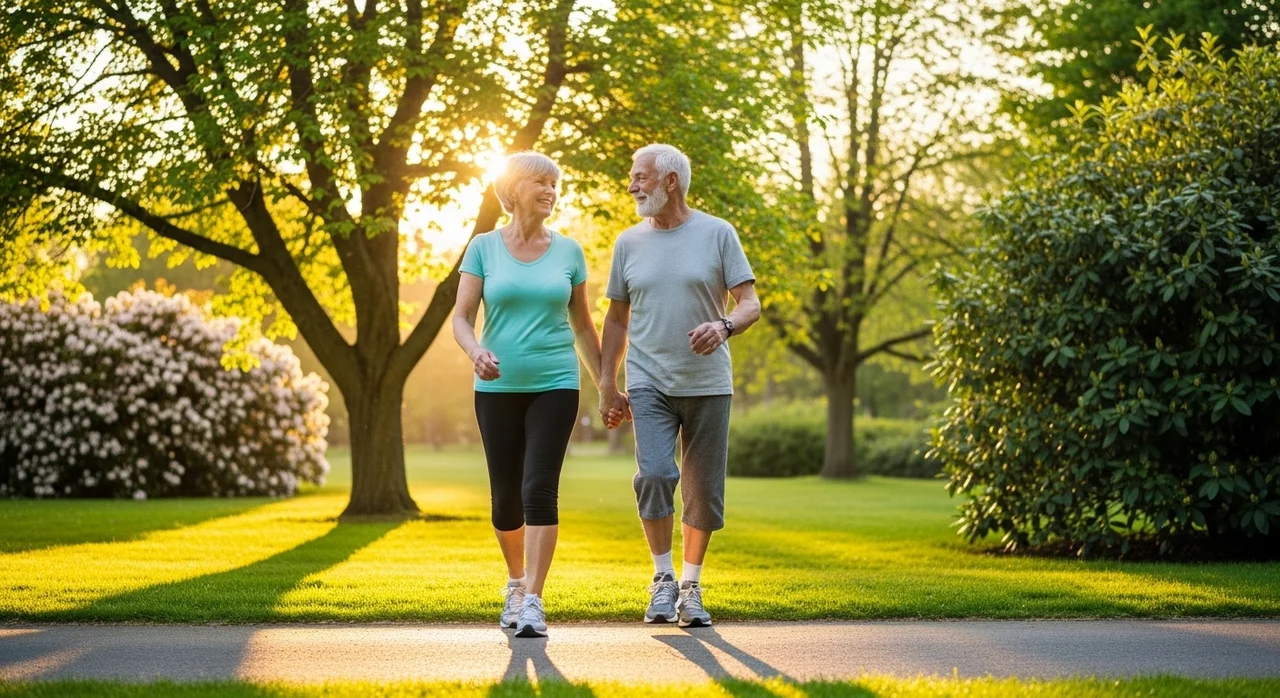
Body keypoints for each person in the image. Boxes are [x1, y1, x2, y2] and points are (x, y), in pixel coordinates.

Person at [599, 143, 761, 627]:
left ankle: (691, 585)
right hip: (648, 381)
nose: (632, 185)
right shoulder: (628, 242)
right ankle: (662, 579)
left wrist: (724, 326)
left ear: (670, 180)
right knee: (653, 474)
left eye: (641, 177)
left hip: (708, 382)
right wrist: (607, 384)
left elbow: (750, 302)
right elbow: (616, 319)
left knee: (702, 489)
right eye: (632, 177)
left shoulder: (717, 233)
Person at [452, 151, 605, 638]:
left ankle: (535, 600)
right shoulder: (482, 247)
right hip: (496, 387)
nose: (551, 190)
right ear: (513, 189)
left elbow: (583, 326)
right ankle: (515, 583)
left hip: (557, 382)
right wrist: (476, 351)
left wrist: (607, 385)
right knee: (505, 500)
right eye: (541, 182)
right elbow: (461, 317)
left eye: (555, 183)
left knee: (538, 487)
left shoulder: (570, 252)